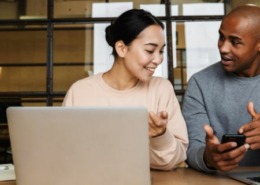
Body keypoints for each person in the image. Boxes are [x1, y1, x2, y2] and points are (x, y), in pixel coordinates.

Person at [62, 9, 188, 171]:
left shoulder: (162, 89)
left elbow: (175, 161)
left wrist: (160, 135)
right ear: (121, 48)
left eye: (161, 51)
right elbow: (66, 154)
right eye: (150, 50)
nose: (158, 60)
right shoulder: (80, 92)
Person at [182, 5, 260, 173]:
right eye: (221, 37)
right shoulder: (200, 83)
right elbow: (192, 149)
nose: (223, 48)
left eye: (235, 41)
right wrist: (208, 158)